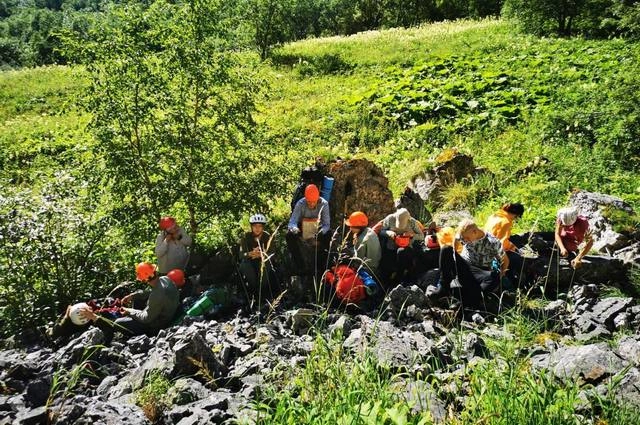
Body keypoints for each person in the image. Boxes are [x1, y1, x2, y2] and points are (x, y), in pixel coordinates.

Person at [80, 262, 179, 343]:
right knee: (138, 299)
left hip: (156, 326)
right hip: (165, 312)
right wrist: (133, 296)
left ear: (144, 279)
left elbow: (146, 319)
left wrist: (129, 311)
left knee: (118, 323)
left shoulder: (157, 295)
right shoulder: (165, 279)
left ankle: (141, 334)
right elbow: (151, 292)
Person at [427, 219, 507, 306]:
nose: (465, 240)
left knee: (494, 278)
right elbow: (456, 240)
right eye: (464, 239)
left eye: (467, 238)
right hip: (464, 265)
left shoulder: (493, 242)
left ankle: (467, 302)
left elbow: (505, 260)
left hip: (479, 272)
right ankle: (443, 287)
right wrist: (455, 254)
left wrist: (502, 274)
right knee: (446, 249)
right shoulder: (464, 235)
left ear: (475, 232)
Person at [286, 184, 331, 275]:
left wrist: (321, 233)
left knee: (329, 235)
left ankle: (321, 266)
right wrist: (296, 230)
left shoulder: (324, 204)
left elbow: (326, 224)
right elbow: (292, 222)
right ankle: (300, 266)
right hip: (302, 229)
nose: (311, 204)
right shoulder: (300, 204)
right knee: (289, 236)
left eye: (313, 202)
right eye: (309, 201)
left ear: (318, 198)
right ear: (305, 199)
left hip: (317, 230)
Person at [372, 208, 426, 284]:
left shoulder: (412, 222)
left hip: (406, 248)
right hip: (391, 247)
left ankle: (401, 276)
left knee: (402, 253)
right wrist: (388, 233)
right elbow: (381, 231)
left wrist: (411, 235)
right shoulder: (390, 218)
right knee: (385, 268)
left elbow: (421, 236)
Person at [238, 213, 280, 302]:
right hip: (250, 261)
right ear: (251, 227)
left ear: (263, 227)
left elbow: (273, 253)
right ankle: (253, 290)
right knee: (244, 265)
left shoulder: (268, 236)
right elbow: (241, 255)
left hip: (263, 260)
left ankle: (262, 290)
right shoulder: (245, 237)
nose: (257, 228)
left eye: (260, 226)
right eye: (255, 226)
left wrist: (262, 254)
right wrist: (250, 254)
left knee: (267, 263)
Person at [484, 202, 528, 286]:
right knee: (519, 260)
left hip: (485, 245)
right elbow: (501, 243)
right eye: (516, 217)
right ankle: (514, 283)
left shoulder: (494, 216)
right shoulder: (506, 222)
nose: (514, 220)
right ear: (515, 214)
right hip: (494, 252)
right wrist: (513, 248)